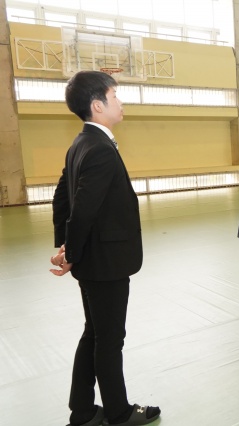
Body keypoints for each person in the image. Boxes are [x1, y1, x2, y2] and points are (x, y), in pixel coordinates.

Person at [49, 71, 160, 426]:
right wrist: (71, 252)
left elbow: (61, 197)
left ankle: (82, 410)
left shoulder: (81, 143)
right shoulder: (98, 148)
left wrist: (65, 245)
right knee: (110, 339)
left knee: (94, 333)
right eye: (115, 96)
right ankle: (119, 413)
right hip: (105, 262)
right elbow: (82, 209)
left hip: (93, 260)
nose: (120, 102)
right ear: (98, 105)